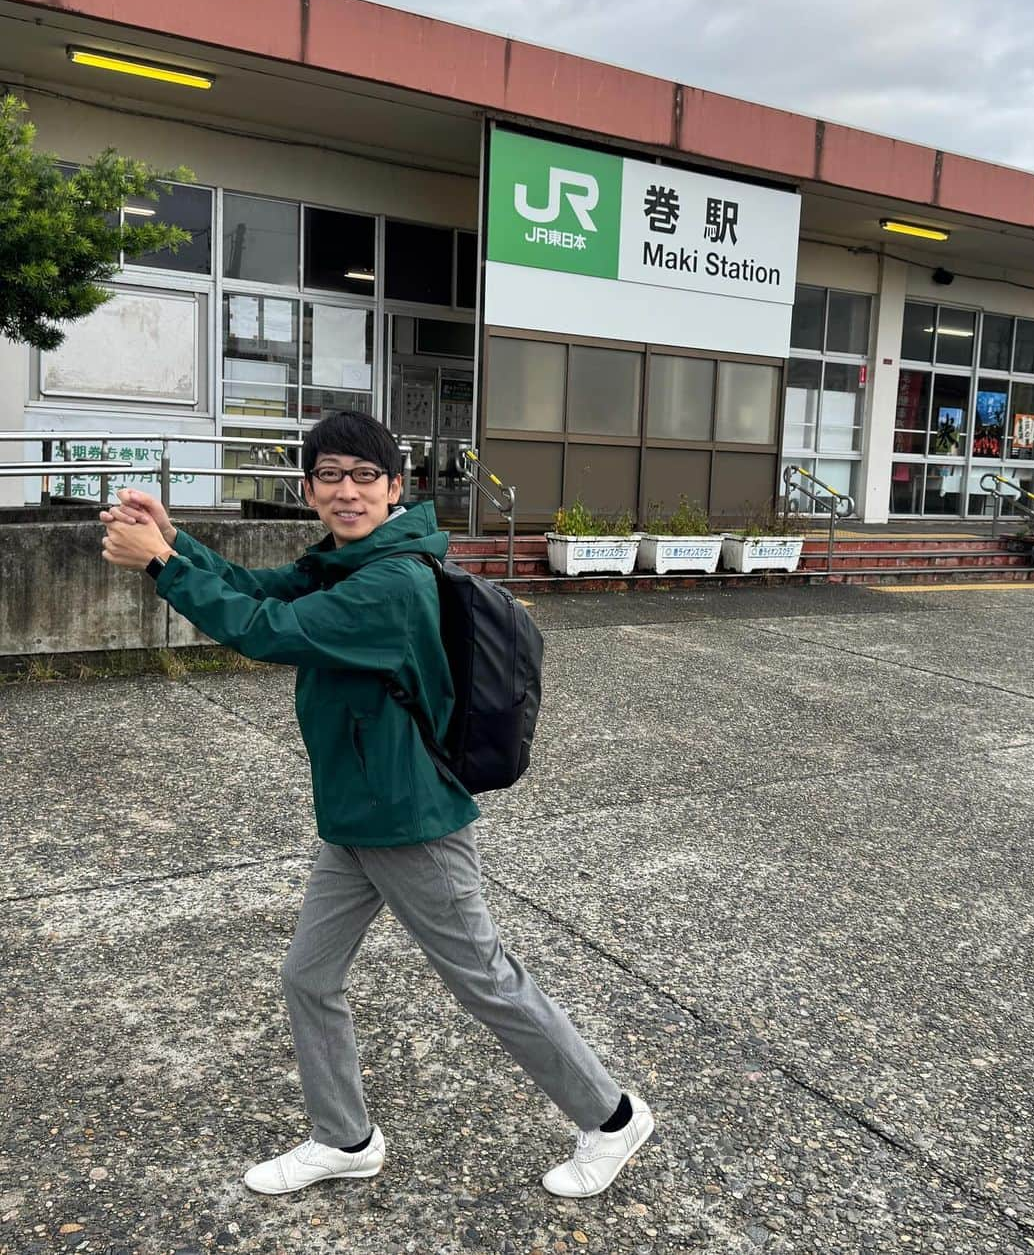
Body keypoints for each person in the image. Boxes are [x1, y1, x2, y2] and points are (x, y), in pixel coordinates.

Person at [99, 410, 653, 1199]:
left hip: (413, 821)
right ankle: (345, 1136)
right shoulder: (345, 559)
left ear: (397, 488)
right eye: (331, 475)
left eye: (366, 476)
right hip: (357, 815)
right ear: (309, 489)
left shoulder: (391, 582)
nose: (348, 490)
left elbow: (266, 629)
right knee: (307, 976)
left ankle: (613, 1116)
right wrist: (175, 540)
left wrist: (160, 565)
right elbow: (260, 589)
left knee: (485, 979)